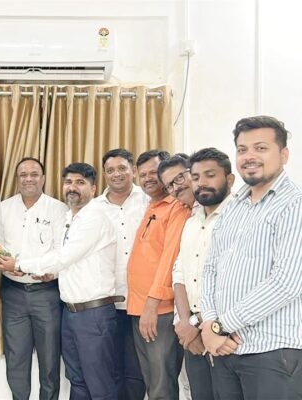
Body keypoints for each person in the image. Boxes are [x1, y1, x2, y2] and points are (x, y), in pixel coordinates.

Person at [0, 162, 121, 400]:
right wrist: (46, 271)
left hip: (92, 312)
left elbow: (63, 258)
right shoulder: (71, 217)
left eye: (80, 182)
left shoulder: (93, 219)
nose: (73, 187)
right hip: (71, 310)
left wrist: (19, 264)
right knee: (77, 379)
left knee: (99, 383)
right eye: (68, 182)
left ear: (94, 188)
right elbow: (62, 262)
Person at [200, 116, 302, 399]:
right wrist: (210, 324)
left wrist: (222, 326)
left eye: (261, 148)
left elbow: (287, 282)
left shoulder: (294, 205)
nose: (249, 156)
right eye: (242, 149)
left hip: (273, 352)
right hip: (225, 351)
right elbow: (210, 268)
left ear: (284, 155)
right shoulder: (234, 206)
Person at [0, 157, 67, 400]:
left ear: (43, 178)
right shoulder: (3, 208)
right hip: (13, 292)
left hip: (46, 293)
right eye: (23, 174)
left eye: (34, 174)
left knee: (49, 359)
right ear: (17, 179)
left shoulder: (58, 209)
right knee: (16, 358)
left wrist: (46, 270)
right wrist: (5, 265)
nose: (29, 179)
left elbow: (61, 252)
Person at [169, 148, 235, 400]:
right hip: (194, 335)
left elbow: (234, 282)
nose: (201, 183)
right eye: (196, 177)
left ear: (229, 179)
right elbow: (179, 275)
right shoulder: (192, 221)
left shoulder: (238, 218)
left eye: (210, 175)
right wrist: (186, 324)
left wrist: (199, 325)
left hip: (226, 334)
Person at [126, 150, 191, 400]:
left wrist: (152, 306)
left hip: (159, 310)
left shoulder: (177, 207)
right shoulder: (152, 207)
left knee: (161, 384)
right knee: (152, 382)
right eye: (142, 175)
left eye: (153, 173)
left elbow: (170, 260)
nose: (148, 179)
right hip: (139, 308)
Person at [96, 149, 147, 400]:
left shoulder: (148, 200)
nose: (116, 174)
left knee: (139, 370)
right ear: (104, 174)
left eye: (122, 168)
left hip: (144, 302)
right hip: (108, 300)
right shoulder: (95, 208)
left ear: (133, 170)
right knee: (110, 367)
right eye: (110, 170)